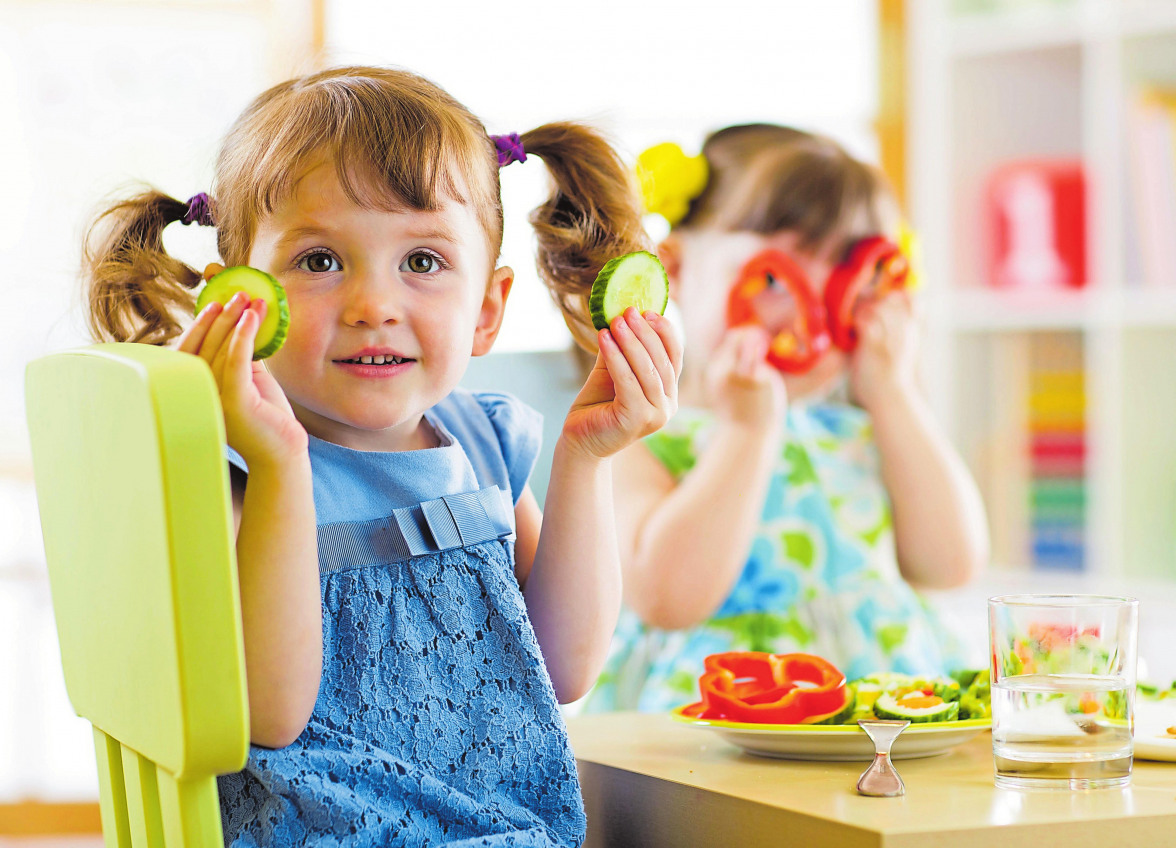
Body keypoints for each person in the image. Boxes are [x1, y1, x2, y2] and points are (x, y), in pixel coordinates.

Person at [81, 66, 681, 846]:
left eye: (423, 262)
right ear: (239, 299)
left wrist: (586, 459)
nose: (374, 306)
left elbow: (564, 667)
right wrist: (281, 464)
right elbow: (273, 712)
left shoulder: (485, 442)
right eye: (320, 261)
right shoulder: (233, 470)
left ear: (487, 311)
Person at [584, 124, 989, 714]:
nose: (814, 321)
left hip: (878, 720)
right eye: (775, 279)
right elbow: (667, 598)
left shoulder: (862, 430)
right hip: (718, 725)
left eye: (854, 282)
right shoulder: (640, 432)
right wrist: (748, 432)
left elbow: (951, 565)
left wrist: (895, 392)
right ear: (676, 268)